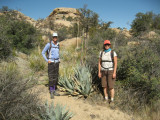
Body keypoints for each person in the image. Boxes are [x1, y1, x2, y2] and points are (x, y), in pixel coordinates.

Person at [98, 40, 117, 104]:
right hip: (103, 71)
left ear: (110, 45)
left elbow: (115, 63)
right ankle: (106, 98)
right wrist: (99, 72)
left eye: (108, 45)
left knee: (111, 86)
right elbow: (99, 63)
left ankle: (112, 100)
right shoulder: (101, 53)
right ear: (104, 45)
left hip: (110, 71)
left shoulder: (113, 53)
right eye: (105, 45)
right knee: (104, 85)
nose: (107, 46)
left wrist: (114, 73)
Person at [42, 32, 60, 99]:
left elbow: (58, 53)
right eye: (54, 37)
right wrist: (47, 60)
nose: (55, 38)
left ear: (57, 37)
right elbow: (43, 52)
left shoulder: (58, 44)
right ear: (52, 37)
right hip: (51, 63)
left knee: (56, 76)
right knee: (51, 77)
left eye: (56, 37)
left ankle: (54, 90)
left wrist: (59, 59)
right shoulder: (49, 44)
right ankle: (51, 91)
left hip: (57, 63)